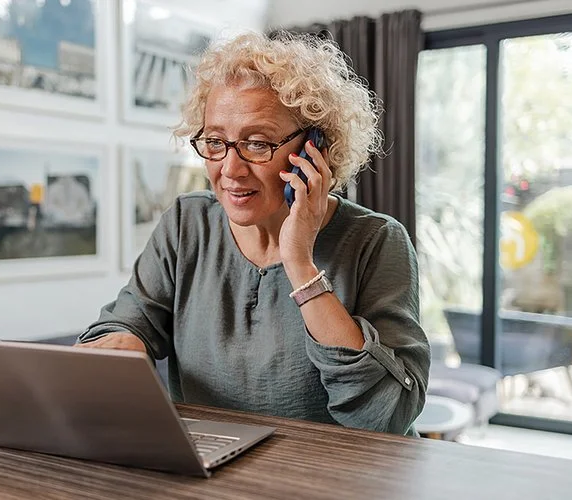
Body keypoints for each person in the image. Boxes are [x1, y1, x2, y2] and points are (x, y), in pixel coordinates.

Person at [77, 31, 430, 435]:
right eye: (215, 141)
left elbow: (388, 415)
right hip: (213, 472)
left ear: (316, 147)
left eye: (257, 144)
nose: (230, 169)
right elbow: (126, 323)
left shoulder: (377, 241)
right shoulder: (187, 223)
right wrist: (120, 344)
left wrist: (299, 261)